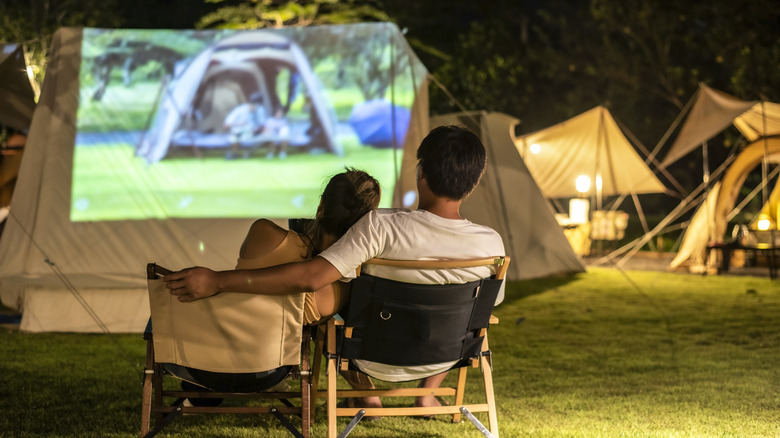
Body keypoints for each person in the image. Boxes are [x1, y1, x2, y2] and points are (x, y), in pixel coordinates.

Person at [164, 125, 506, 409]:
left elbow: (312, 276)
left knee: (344, 305)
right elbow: (481, 314)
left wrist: (217, 280)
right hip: (444, 357)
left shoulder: (381, 226)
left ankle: (368, 396)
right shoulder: (491, 245)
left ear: (421, 173)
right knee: (463, 316)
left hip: (372, 357)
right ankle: (426, 394)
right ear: (473, 183)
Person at [162, 168, 381, 398]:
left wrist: (216, 280)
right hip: (270, 370)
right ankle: (369, 395)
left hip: (205, 362)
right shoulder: (342, 285)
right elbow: (325, 331)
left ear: (322, 206)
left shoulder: (264, 232)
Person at [224, 92, 266, 159]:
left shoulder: (260, 110)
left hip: (254, 133)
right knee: (236, 134)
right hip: (239, 132)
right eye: (254, 105)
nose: (255, 107)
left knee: (267, 135)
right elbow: (227, 125)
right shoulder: (240, 110)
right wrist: (238, 124)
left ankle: (248, 152)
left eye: (257, 106)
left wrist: (260, 129)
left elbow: (263, 124)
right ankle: (234, 153)